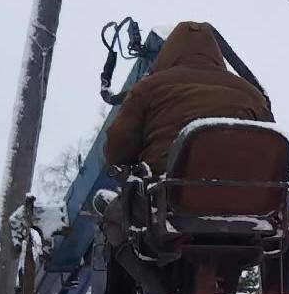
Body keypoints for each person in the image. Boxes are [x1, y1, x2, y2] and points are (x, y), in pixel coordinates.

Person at [100, 21, 273, 180]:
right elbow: (271, 148)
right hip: (244, 194)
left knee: (112, 202)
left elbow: (116, 148)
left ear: (169, 53)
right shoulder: (253, 95)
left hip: (168, 193)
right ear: (215, 53)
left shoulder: (147, 88)